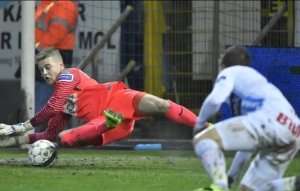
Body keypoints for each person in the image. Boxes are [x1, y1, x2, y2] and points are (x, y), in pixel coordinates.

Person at [0, 47, 210, 149]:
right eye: (41, 69)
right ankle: (108, 123)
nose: (45, 73)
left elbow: (53, 106)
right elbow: (48, 133)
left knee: (161, 104)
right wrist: (13, 140)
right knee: (64, 138)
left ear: (60, 65)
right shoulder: (61, 101)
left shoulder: (68, 75)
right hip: (104, 123)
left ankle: (206, 127)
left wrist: (20, 126)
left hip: (118, 98)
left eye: (48, 67)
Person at [191, 45, 300, 191]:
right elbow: (247, 147)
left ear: (223, 66)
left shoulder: (230, 72)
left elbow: (214, 100)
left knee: (203, 140)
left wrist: (199, 125)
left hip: (269, 119)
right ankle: (296, 183)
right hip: (293, 131)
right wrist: (231, 181)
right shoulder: (254, 84)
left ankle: (218, 186)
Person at [15, 0, 78, 132]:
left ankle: (30, 136)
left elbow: (56, 33)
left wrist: (36, 51)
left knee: (43, 102)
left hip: (51, 58)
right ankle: (33, 136)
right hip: (44, 58)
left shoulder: (64, 5)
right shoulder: (47, 4)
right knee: (39, 101)